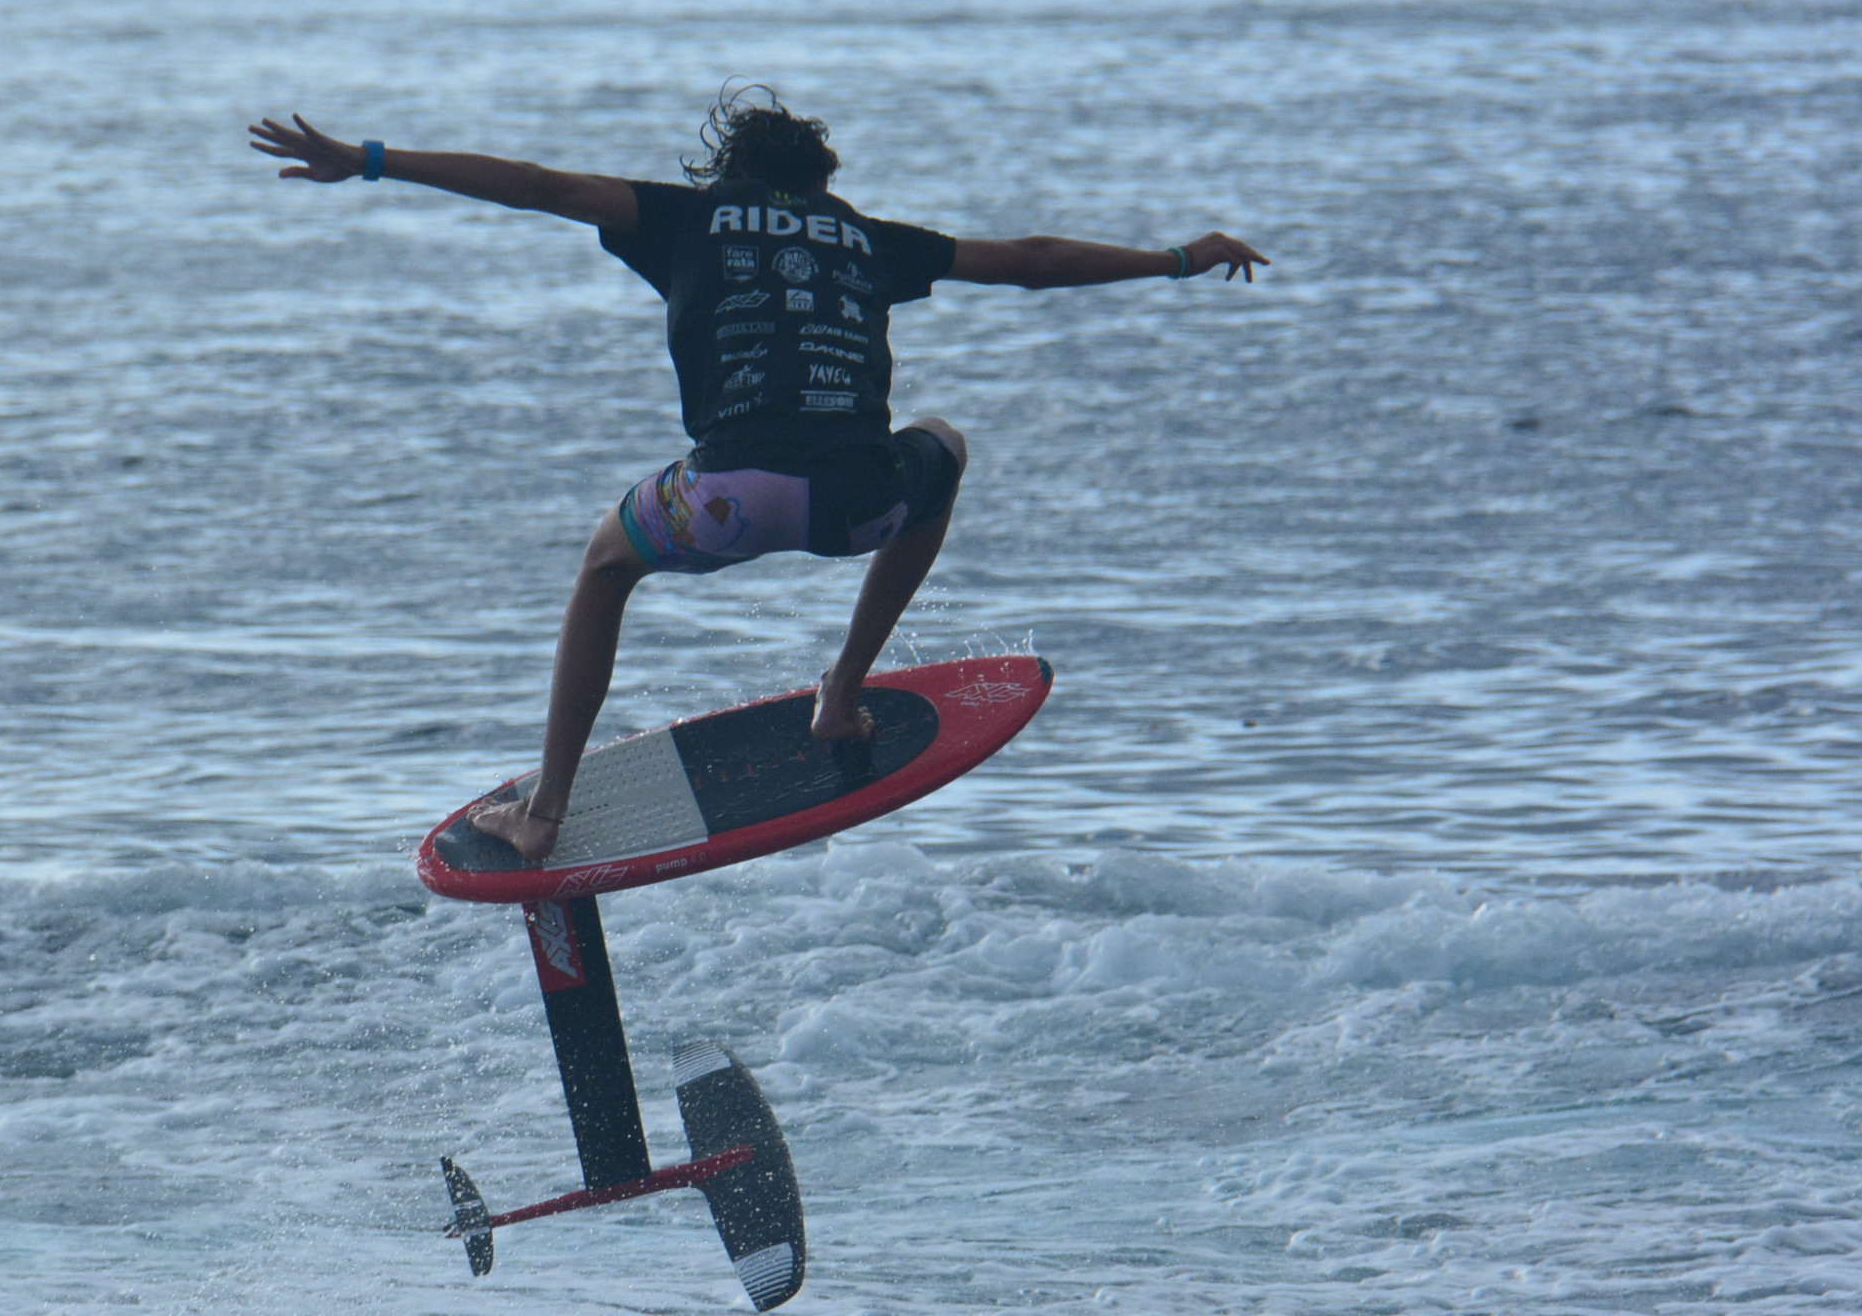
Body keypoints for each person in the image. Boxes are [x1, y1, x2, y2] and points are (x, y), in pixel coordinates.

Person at [251, 90, 1265, 862]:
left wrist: (369, 159)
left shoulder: (683, 217)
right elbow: (1033, 259)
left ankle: (544, 808)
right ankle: (843, 690)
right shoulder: (868, 238)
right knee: (944, 446)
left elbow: (537, 185)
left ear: (725, 169)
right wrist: (1180, 257)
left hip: (727, 504)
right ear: (821, 184)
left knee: (606, 565)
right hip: (863, 504)